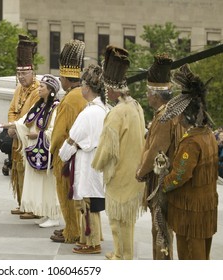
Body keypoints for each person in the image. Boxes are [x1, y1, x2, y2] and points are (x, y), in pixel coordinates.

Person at [92, 45, 146, 260]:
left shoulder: (117, 112)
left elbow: (108, 148)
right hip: (135, 172)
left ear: (111, 89)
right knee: (127, 220)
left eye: (107, 88)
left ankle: (121, 256)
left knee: (116, 219)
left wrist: (96, 164)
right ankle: (125, 254)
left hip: (120, 173)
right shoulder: (136, 106)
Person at [159, 64, 218, 260]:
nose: (178, 118)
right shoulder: (208, 135)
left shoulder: (191, 142)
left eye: (181, 114)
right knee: (202, 254)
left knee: (190, 255)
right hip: (205, 207)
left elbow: (179, 176)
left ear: (189, 115)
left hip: (190, 211)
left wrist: (162, 185)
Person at [135, 54, 185, 260]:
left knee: (161, 233)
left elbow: (156, 148)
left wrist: (141, 171)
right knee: (161, 232)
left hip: (162, 182)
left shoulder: (166, 117)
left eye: (148, 93)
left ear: (156, 95)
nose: (147, 97)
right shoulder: (167, 113)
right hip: (164, 180)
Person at [59, 64, 109, 254]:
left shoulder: (89, 113)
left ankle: (92, 242)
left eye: (83, 85)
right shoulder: (104, 109)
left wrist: (63, 155)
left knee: (87, 201)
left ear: (87, 87)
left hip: (87, 160)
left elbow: (73, 138)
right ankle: (86, 238)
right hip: (97, 159)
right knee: (90, 199)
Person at [3, 74, 62, 228]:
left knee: (49, 185)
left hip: (46, 152)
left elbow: (55, 130)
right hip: (35, 150)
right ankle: (45, 212)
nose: (39, 88)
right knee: (39, 184)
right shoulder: (39, 105)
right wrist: (12, 126)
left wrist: (39, 135)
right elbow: (24, 122)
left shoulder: (55, 108)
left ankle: (54, 215)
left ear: (51, 90)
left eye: (42, 87)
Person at [50, 39, 87, 243]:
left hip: (66, 156)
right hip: (81, 155)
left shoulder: (70, 99)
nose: (60, 81)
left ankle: (72, 232)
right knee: (79, 197)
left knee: (67, 196)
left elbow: (58, 133)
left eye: (61, 77)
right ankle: (73, 229)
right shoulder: (83, 94)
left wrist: (52, 150)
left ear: (65, 78)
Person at [7, 35, 40, 218]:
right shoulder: (18, 88)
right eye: (18, 74)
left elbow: (32, 116)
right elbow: (12, 109)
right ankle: (22, 203)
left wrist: (17, 127)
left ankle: (31, 206)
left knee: (29, 172)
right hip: (16, 136)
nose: (20, 78)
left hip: (29, 137)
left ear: (32, 72)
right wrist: (12, 125)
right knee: (17, 170)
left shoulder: (37, 90)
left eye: (24, 74)